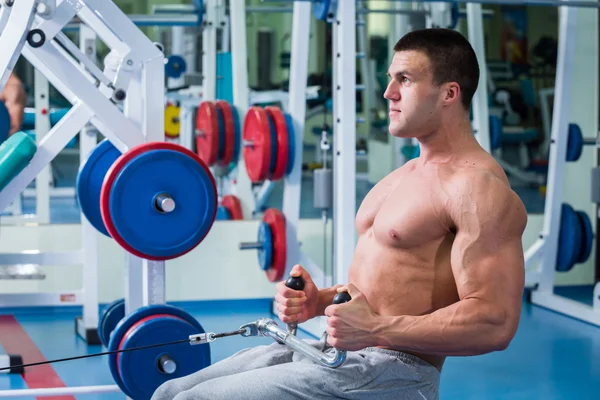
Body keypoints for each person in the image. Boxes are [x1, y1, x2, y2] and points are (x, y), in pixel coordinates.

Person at [152, 28, 527, 400]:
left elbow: (494, 322)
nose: (388, 93)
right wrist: (320, 302)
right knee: (170, 391)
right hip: (338, 355)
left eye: (406, 80)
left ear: (450, 93)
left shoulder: (477, 187)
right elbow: (386, 289)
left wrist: (376, 329)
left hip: (393, 373)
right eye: (390, 79)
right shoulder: (404, 177)